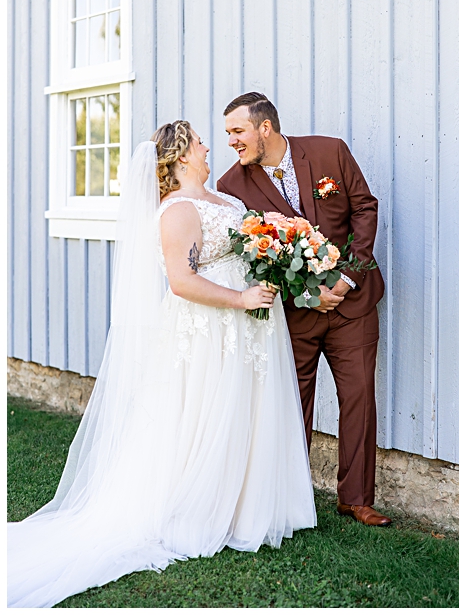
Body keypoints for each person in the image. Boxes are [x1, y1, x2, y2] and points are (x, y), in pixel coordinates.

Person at [8, 123, 315, 607]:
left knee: (244, 410)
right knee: (205, 413)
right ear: (179, 156)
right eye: (198, 142)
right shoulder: (177, 212)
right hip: (211, 330)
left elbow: (247, 249)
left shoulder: (226, 202)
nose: (208, 146)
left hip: (249, 326)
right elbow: (182, 281)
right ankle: (196, 506)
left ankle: (244, 506)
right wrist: (240, 297)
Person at [217, 93, 388, 526]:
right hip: (293, 315)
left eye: (238, 132)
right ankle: (288, 496)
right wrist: (309, 294)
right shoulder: (231, 187)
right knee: (292, 404)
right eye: (228, 135)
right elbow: (250, 259)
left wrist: (347, 278)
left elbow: (364, 208)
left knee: (359, 399)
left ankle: (356, 498)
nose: (232, 142)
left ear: (265, 128)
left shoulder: (330, 150)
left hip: (353, 305)